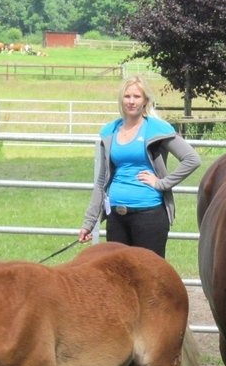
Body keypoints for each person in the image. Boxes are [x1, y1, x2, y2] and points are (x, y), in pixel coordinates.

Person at [79, 75, 201, 257]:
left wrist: (162, 183)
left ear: (146, 101)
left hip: (149, 216)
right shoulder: (110, 132)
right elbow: (102, 181)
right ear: (121, 99)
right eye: (127, 96)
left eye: (137, 97)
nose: (131, 101)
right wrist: (88, 223)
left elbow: (192, 159)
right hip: (116, 217)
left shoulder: (157, 130)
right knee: (117, 278)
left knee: (149, 279)